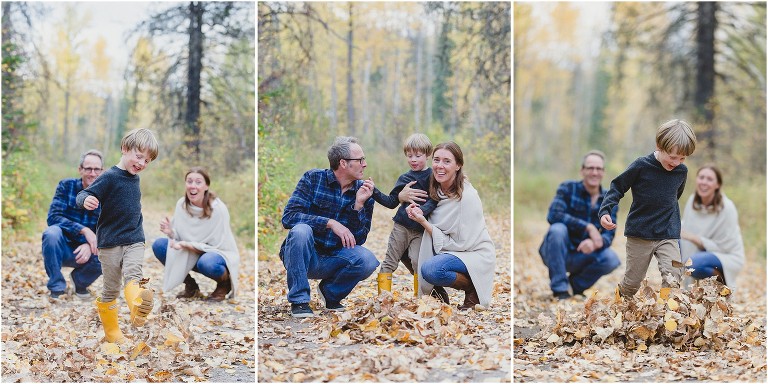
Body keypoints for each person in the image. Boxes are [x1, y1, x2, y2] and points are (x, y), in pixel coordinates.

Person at [280, 136, 380, 318]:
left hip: (335, 257)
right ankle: (300, 301)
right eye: (360, 160)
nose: (364, 164)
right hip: (303, 255)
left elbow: (359, 240)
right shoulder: (313, 179)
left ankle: (330, 294)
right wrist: (330, 223)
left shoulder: (364, 193)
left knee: (367, 260)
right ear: (343, 163)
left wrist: (358, 206)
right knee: (301, 231)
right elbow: (289, 217)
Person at [77, 128, 159, 343]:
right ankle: (113, 334)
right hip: (110, 242)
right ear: (124, 149)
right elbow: (84, 194)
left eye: (147, 161)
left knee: (133, 274)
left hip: (134, 238)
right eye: (139, 156)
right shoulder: (110, 177)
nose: (142, 163)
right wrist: (86, 200)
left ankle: (138, 307)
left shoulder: (136, 178)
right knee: (111, 289)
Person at [599, 119, 697, 298]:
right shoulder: (641, 166)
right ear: (659, 146)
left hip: (668, 233)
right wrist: (606, 210)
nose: (677, 162)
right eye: (673, 156)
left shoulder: (681, 172)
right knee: (632, 282)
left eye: (682, 158)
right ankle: (619, 307)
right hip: (640, 232)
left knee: (673, 276)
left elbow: (674, 197)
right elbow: (617, 187)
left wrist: (668, 218)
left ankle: (667, 313)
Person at [406, 142, 496, 310]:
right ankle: (437, 294)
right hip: (450, 247)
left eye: (447, 161)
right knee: (406, 246)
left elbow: (463, 243)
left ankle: (472, 287)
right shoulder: (433, 189)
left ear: (458, 165)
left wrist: (424, 222)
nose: (440, 166)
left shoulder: (468, 197)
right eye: (436, 160)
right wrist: (403, 197)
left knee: (432, 269)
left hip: (472, 252)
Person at [538, 150, 621, 300]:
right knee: (557, 229)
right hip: (557, 252)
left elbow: (609, 236)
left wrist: (595, 243)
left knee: (611, 259)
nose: (594, 172)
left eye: (598, 169)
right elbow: (553, 215)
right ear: (582, 170)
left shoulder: (609, 200)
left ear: (603, 172)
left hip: (583, 256)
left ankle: (573, 286)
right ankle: (560, 290)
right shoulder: (568, 188)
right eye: (590, 168)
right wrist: (588, 227)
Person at [152, 167, 240, 301]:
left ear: (206, 186)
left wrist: (187, 245)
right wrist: (171, 232)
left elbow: (217, 246)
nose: (193, 186)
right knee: (159, 245)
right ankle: (191, 286)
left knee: (207, 262)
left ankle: (224, 284)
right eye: (189, 181)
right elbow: (179, 239)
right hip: (189, 251)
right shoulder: (181, 204)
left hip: (216, 254)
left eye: (198, 182)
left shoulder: (218, 209)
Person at [371, 133, 441, 298]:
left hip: (420, 230)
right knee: (390, 261)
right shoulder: (405, 178)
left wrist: (421, 211)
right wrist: (374, 191)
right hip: (401, 227)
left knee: (418, 261)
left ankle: (421, 300)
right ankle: (383, 300)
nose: (413, 159)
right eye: (409, 156)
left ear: (428, 155)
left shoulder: (432, 177)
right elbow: (391, 202)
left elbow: (434, 199)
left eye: (418, 155)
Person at [42, 149, 105, 300]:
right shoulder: (66, 186)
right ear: (80, 169)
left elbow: (110, 229)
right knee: (51, 233)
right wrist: (84, 231)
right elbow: (53, 217)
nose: (92, 173)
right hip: (62, 247)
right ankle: (57, 287)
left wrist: (90, 245)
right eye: (88, 168)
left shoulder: (107, 195)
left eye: (97, 169)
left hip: (90, 253)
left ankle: (80, 282)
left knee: (114, 249)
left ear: (102, 171)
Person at [680, 165, 745, 288]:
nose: (704, 182)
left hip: (727, 255)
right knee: (673, 242)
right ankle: (677, 287)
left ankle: (721, 283)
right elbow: (685, 228)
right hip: (701, 252)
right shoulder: (692, 201)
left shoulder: (727, 208)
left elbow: (725, 246)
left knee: (693, 263)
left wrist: (693, 238)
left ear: (718, 185)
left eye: (709, 179)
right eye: (701, 177)